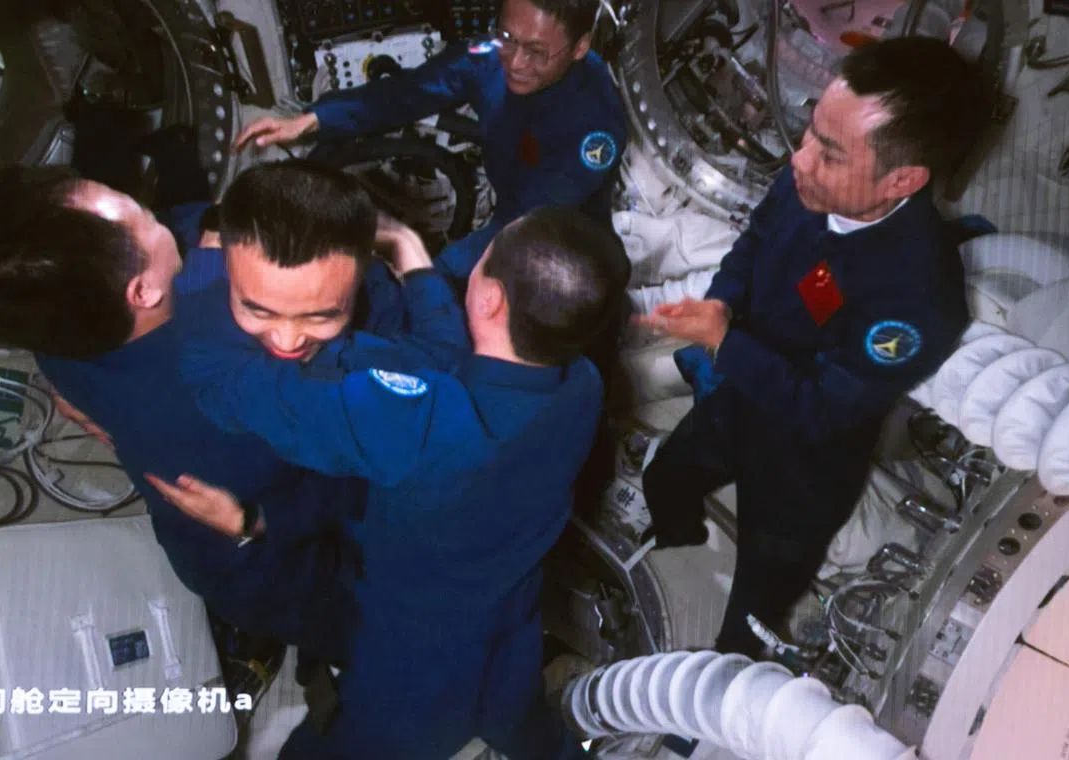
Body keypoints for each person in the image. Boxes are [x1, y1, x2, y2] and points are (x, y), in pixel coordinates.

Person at [149, 207, 628, 759]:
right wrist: (407, 248)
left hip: (417, 658)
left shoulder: (418, 422)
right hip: (511, 614)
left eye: (484, 260)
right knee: (521, 722)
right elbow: (458, 357)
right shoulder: (580, 384)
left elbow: (225, 384)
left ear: (490, 298)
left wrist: (213, 261)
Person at [0, 162, 444, 675]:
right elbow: (360, 482)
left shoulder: (59, 320)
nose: (157, 214)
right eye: (141, 216)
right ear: (142, 292)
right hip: (282, 570)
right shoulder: (246, 391)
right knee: (392, 628)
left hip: (211, 526)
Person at [637, 37, 988, 658]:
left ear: (902, 179)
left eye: (827, 154)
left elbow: (820, 411)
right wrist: (721, 301)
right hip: (734, 402)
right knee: (667, 479)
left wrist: (723, 341)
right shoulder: (810, 183)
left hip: (800, 467)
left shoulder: (920, 299)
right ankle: (679, 552)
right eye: (808, 135)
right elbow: (755, 240)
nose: (797, 160)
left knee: (754, 611)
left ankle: (723, 685)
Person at [233, 0, 627, 284]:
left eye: (537, 52)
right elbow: (405, 94)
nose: (516, 62)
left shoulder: (597, 125)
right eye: (508, 36)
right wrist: (312, 120)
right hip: (509, 213)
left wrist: (426, 277)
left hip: (563, 245)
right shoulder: (491, 55)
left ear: (579, 47)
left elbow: (523, 224)